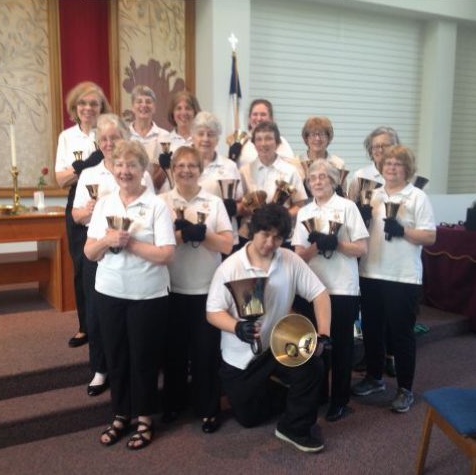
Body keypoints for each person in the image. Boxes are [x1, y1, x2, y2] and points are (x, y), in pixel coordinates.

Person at [206, 203, 332, 453]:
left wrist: (324, 334)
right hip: (241, 359)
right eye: (265, 234)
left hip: (278, 345)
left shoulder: (289, 260)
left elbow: (320, 294)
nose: (270, 242)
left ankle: (293, 428)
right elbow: (213, 312)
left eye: (277, 237)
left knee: (313, 365)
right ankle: (282, 392)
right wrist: (237, 327)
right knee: (249, 419)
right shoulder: (230, 268)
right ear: (253, 231)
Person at [84, 140, 175, 450]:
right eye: (120, 165)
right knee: (117, 356)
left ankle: (145, 418)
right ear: (113, 169)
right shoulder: (106, 204)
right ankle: (121, 415)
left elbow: (165, 255)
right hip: (109, 292)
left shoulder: (157, 205)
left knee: (144, 359)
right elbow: (89, 252)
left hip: (147, 295)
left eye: (132, 165)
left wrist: (130, 243)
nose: (125, 171)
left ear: (143, 170)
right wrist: (107, 240)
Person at [71, 114, 153, 397]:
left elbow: (150, 204)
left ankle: (128, 369)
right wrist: (90, 211)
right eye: (103, 139)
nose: (108, 143)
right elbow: (75, 214)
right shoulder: (89, 174)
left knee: (128, 317)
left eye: (113, 137)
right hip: (99, 249)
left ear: (123, 139)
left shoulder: (137, 170)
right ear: (97, 142)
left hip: (134, 250)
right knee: (96, 313)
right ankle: (100, 368)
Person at [351, 145, 436, 413]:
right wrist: (361, 219)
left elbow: (430, 237)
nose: (391, 167)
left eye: (397, 163)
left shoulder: (417, 197)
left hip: (403, 277)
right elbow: (360, 234)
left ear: (407, 168)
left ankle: (405, 388)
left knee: (401, 334)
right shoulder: (372, 196)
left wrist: (403, 230)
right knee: (373, 330)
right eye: (387, 163)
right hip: (371, 272)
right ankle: (375, 378)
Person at [160, 146, 234, 433]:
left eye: (192, 165)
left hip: (207, 289)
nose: (186, 170)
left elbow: (227, 245)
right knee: (174, 352)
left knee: (206, 353)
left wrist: (203, 235)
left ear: (200, 170)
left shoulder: (213, 203)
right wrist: (180, 235)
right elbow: (158, 246)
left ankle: (208, 408)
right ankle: (174, 404)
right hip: (172, 288)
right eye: (181, 165)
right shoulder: (162, 201)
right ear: (172, 169)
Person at [292, 159, 369, 422]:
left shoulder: (347, 207)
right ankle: (320, 394)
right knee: (316, 343)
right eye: (313, 178)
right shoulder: (304, 212)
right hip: (312, 289)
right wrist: (316, 246)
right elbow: (299, 255)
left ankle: (340, 399)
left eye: (323, 177)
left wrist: (336, 244)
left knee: (342, 346)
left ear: (334, 180)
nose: (317, 181)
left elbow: (361, 248)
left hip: (342, 287)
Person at [55, 81, 111, 348]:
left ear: (102, 107)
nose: (88, 108)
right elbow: (60, 179)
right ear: (75, 108)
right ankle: (85, 326)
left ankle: (105, 320)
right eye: (83, 103)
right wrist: (83, 168)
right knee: (81, 265)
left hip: (109, 200)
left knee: (106, 260)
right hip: (79, 202)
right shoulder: (67, 137)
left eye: (94, 103)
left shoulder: (108, 132)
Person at [347, 126, 400, 376]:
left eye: (386, 145)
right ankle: (372, 359)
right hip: (370, 254)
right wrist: (360, 213)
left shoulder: (404, 174)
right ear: (370, 151)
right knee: (370, 312)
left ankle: (390, 356)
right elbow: (349, 212)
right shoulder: (360, 176)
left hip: (396, 255)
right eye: (376, 147)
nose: (380, 151)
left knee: (392, 313)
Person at [238, 121, 307, 242]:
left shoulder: (290, 171)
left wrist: (281, 217)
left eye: (268, 138)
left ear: (277, 143)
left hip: (280, 235)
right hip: (250, 235)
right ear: (254, 144)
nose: (263, 143)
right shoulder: (244, 171)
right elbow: (239, 203)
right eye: (259, 139)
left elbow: (299, 204)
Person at [191, 111, 244, 245]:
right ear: (193, 136)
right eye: (201, 133)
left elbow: (241, 202)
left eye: (211, 134)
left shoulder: (229, 166)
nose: (205, 139)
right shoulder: (183, 165)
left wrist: (234, 209)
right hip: (193, 232)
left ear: (218, 139)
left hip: (223, 235)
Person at [128, 85, 170, 193]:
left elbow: (169, 169)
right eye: (139, 101)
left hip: (160, 194)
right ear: (132, 107)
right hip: (131, 192)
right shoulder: (124, 136)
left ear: (154, 107)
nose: (144, 105)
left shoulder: (165, 136)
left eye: (148, 101)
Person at [235, 99, 295, 167]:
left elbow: (289, 168)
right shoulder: (241, 142)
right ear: (249, 118)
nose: (259, 118)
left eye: (263, 114)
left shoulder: (279, 141)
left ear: (271, 118)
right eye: (255, 114)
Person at [297, 117, 347, 193]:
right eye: (313, 134)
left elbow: (342, 193)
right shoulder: (296, 163)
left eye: (322, 134)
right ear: (306, 138)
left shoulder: (338, 164)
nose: (317, 138)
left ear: (328, 138)